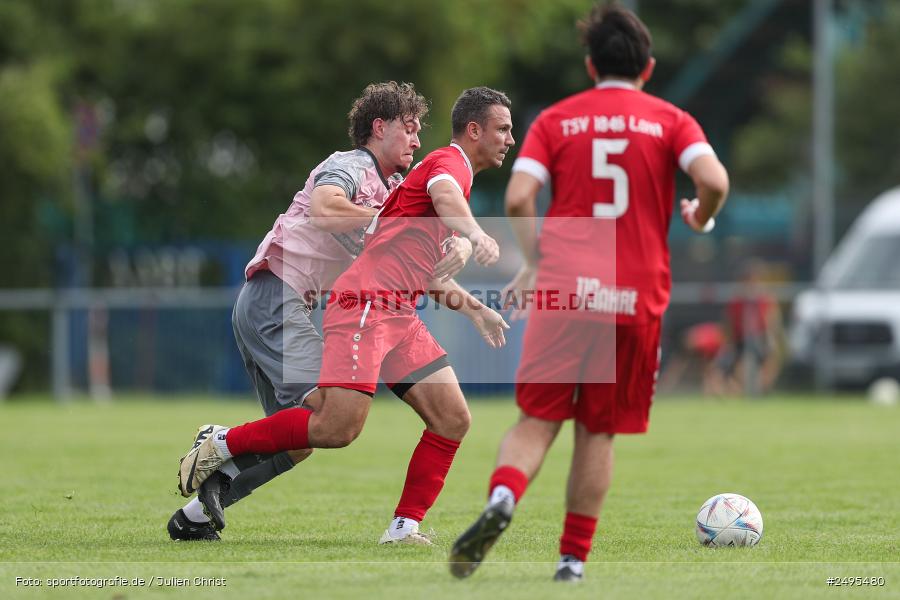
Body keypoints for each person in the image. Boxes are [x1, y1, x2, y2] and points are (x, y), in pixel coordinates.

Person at [450, 5, 729, 582]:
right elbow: (715, 181)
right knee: (597, 431)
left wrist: (536, 257)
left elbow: (520, 197)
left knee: (535, 422)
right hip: (634, 298)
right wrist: (700, 216)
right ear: (648, 68)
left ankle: (503, 498)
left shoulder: (557, 119)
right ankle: (572, 563)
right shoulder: (672, 120)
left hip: (567, 290)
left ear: (588, 65)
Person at [176, 87, 515, 545]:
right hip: (278, 296)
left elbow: (418, 263)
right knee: (328, 423)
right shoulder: (355, 166)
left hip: (370, 309)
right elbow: (324, 208)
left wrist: (476, 307)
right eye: (408, 130)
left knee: (311, 440)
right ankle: (221, 441)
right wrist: (459, 230)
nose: (417, 141)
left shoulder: (399, 187)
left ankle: (196, 515)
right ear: (380, 128)